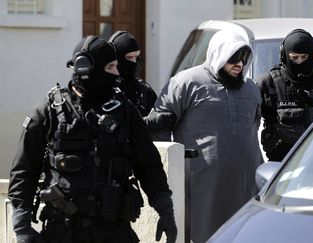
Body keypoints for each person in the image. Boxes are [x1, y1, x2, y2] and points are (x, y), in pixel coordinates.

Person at [8, 35, 177, 243]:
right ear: (85, 69)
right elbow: (24, 170)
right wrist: (21, 227)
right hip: (62, 233)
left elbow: (149, 164)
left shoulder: (124, 111)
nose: (117, 72)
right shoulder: (48, 111)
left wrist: (166, 212)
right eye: (110, 67)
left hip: (113, 232)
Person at [148, 29, 264, 242]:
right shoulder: (185, 82)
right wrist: (167, 176)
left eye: (244, 57)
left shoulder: (252, 89)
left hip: (244, 187)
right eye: (233, 57)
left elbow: (253, 131)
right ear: (219, 54)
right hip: (200, 187)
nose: (239, 64)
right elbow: (159, 131)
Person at [257, 28, 313, 162]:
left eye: (304, 57)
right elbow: (245, 126)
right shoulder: (268, 84)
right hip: (280, 164)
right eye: (294, 58)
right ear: (284, 55)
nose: (300, 62)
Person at [108, 31, 157, 117]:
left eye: (137, 57)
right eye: (129, 57)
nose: (134, 62)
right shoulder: (105, 91)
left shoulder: (145, 91)